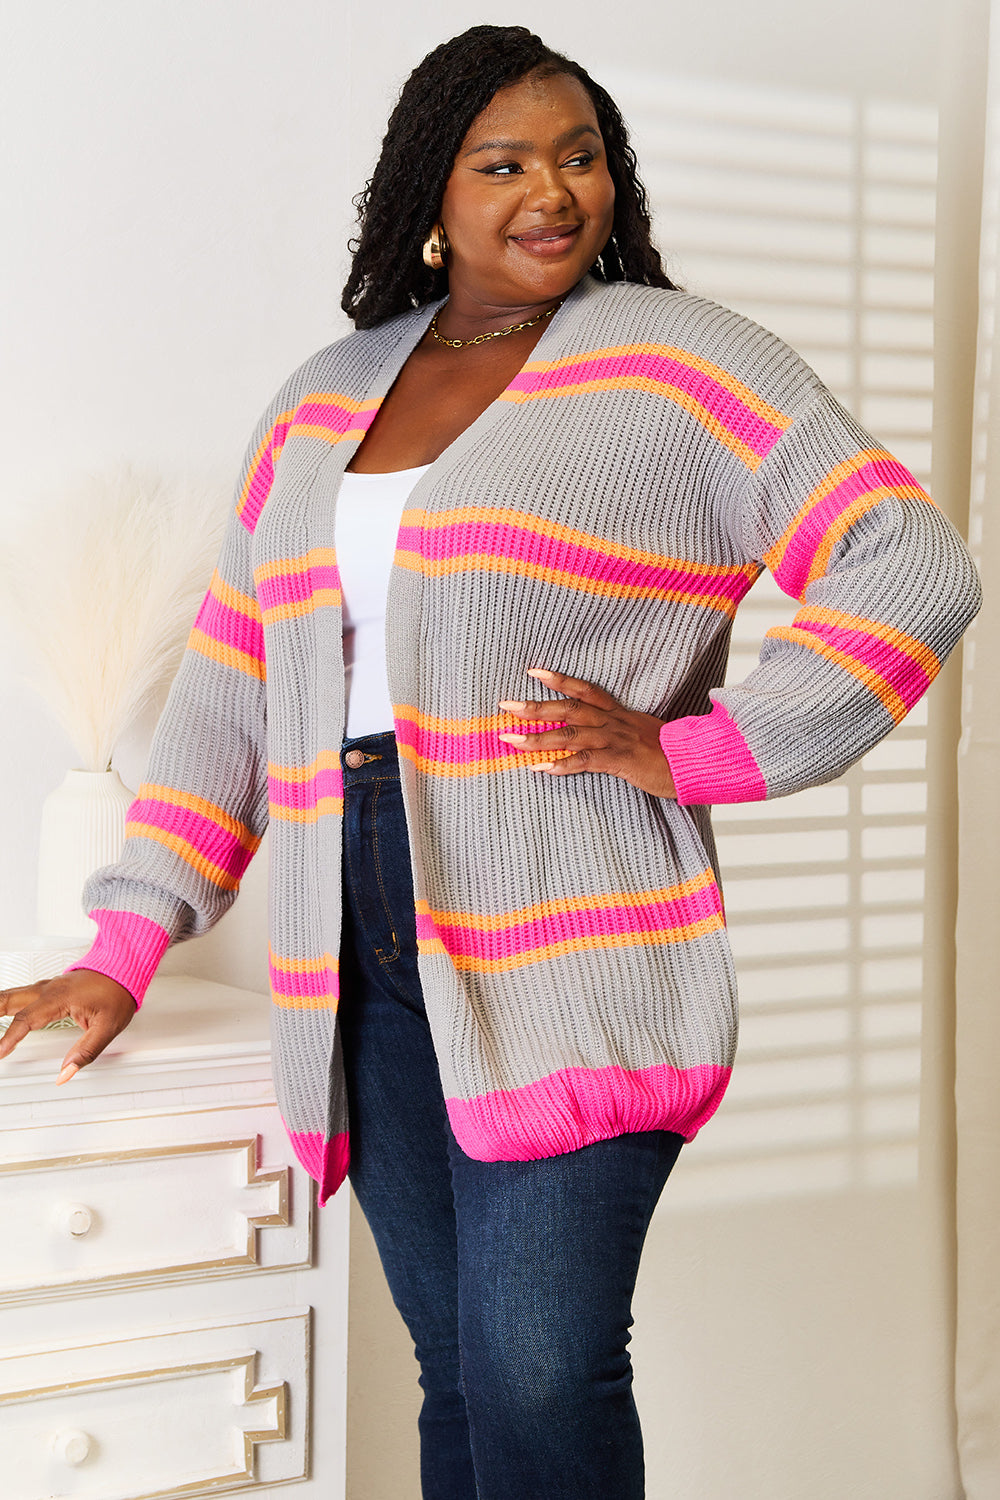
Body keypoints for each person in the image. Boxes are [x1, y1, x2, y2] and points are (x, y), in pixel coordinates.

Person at [0, 23, 981, 1500]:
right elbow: (231, 687)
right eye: (505, 161)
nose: (553, 193)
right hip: (359, 945)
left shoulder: (673, 357)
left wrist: (702, 748)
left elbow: (908, 561)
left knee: (539, 1367)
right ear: (431, 195)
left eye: (580, 156)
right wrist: (126, 947)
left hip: (570, 936)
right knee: (455, 1373)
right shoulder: (324, 396)